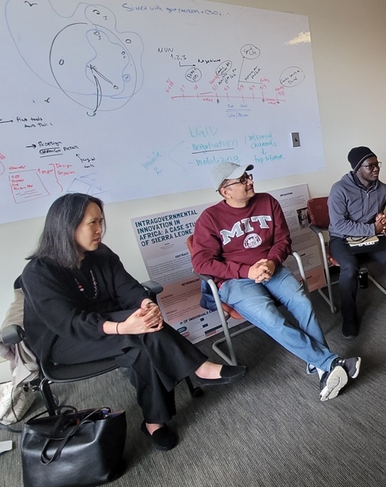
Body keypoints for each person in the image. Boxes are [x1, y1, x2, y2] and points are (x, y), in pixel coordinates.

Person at [22, 193, 246, 452]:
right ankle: (198, 367)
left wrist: (146, 304)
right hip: (65, 341)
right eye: (92, 223)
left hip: (111, 325)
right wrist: (121, 327)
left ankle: (154, 422)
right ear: (67, 226)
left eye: (100, 222)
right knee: (139, 333)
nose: (99, 230)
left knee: (140, 347)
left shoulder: (101, 254)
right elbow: (68, 322)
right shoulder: (38, 272)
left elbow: (127, 287)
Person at [191, 163, 359, 402]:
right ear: (225, 191)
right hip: (236, 280)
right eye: (242, 180)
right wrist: (246, 271)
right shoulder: (209, 219)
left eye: (248, 176)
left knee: (302, 302)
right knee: (271, 317)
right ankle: (328, 362)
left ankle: (322, 367)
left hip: (271, 269)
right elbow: (201, 263)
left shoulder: (268, 202)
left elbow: (283, 240)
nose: (250, 181)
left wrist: (271, 261)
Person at [328, 146, 386, 339]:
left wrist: (380, 222)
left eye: (377, 165)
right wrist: (372, 229)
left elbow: (377, 215)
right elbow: (339, 225)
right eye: (370, 166)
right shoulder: (339, 189)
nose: (376, 169)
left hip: (368, 236)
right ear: (357, 168)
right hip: (341, 239)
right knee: (349, 268)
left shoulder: (383, 189)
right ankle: (349, 317)